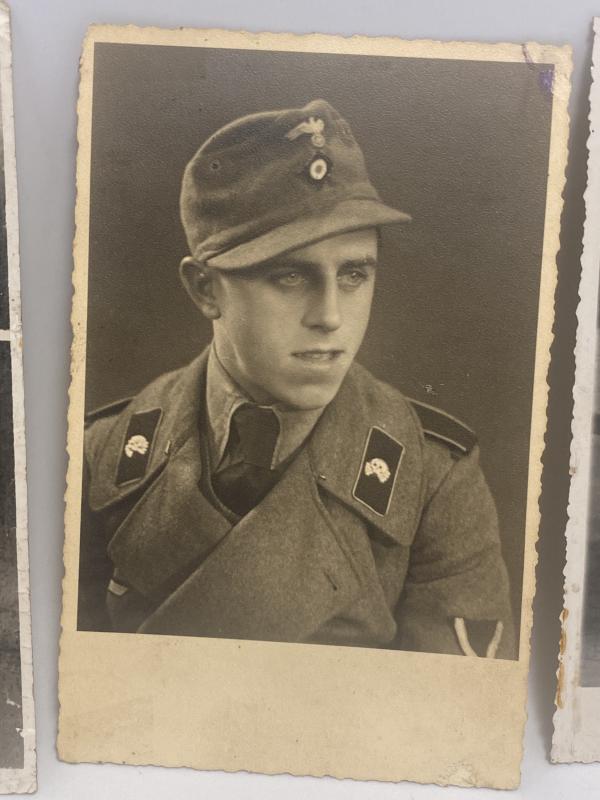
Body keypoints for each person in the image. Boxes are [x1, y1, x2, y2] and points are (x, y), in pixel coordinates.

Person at [78, 99, 515, 659]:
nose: (330, 315)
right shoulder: (103, 453)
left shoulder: (431, 477)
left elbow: (440, 727)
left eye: (354, 274)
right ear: (205, 289)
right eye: (289, 276)